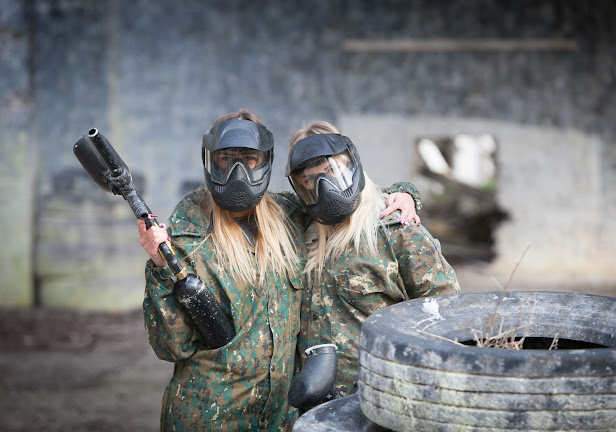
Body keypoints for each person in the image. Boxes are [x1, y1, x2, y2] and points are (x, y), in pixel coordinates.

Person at [138, 110, 421, 431]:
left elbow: (341, 193)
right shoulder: (190, 231)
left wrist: (404, 192)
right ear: (210, 162)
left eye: (249, 159)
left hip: (279, 417)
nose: (238, 171)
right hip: (210, 416)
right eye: (226, 159)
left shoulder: (290, 216)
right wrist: (160, 267)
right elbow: (171, 346)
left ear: (266, 161)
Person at [286, 121, 461, 398]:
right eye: (310, 181)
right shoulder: (296, 228)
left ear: (352, 164)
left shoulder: (397, 231)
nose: (324, 187)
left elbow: (449, 322)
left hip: (378, 401)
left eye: (331, 171)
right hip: (313, 405)